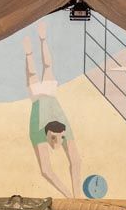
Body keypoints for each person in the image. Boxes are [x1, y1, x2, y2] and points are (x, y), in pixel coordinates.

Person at [23, 22, 83, 197]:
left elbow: (76, 161)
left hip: (48, 101)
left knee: (41, 70)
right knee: (35, 72)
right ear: (47, 135)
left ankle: (41, 40)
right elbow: (45, 170)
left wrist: (76, 196)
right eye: (56, 138)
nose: (58, 141)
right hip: (42, 100)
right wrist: (68, 195)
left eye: (60, 137)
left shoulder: (63, 128)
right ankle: (36, 44)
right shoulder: (37, 130)